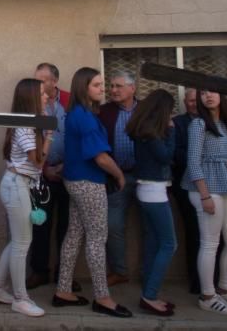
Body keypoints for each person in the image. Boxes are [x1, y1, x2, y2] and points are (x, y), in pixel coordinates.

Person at [52, 67, 131, 318]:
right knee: (97, 238)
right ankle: (103, 297)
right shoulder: (84, 116)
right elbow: (100, 157)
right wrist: (119, 175)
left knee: (74, 235)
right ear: (84, 87)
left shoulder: (76, 113)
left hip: (75, 181)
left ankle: (63, 291)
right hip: (88, 183)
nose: (103, 89)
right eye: (97, 85)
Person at [183, 88, 227, 316]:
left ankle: (225, 287)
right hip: (206, 188)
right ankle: (208, 295)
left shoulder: (226, 124)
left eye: (213, 92)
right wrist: (204, 195)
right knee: (210, 243)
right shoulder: (199, 124)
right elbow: (192, 161)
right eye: (203, 94)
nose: (208, 96)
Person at [0, 78, 50, 318]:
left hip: (16, 184)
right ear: (32, 98)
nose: (47, 97)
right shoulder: (26, 127)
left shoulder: (25, 124)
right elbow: (38, 162)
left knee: (17, 241)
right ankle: (20, 299)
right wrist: (50, 136)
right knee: (22, 244)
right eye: (44, 94)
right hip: (17, 185)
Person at [126, 89, 177, 317]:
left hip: (145, 189)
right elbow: (166, 156)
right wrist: (172, 132)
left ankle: (150, 289)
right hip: (154, 191)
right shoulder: (151, 132)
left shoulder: (142, 128)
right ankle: (150, 295)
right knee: (168, 244)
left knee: (153, 241)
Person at [28, 62, 77, 292]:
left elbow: (80, 135)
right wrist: (45, 168)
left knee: (67, 227)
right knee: (40, 225)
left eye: (43, 79)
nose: (38, 83)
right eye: (36, 79)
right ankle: (39, 271)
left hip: (70, 172)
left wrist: (67, 165)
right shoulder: (32, 103)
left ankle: (64, 273)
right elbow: (31, 138)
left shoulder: (71, 100)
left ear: (54, 81)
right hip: (43, 174)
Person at [97, 71, 138, 286]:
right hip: (115, 177)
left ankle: (151, 273)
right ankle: (119, 271)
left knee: (150, 227)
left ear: (133, 88)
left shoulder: (146, 111)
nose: (113, 90)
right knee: (113, 226)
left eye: (118, 86)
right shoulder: (104, 112)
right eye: (111, 86)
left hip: (145, 177)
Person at [171, 88, 204, 294]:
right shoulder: (178, 123)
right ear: (185, 101)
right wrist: (201, 160)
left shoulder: (215, 122)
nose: (194, 104)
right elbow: (176, 152)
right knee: (194, 232)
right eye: (190, 100)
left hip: (214, 185)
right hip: (185, 184)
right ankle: (197, 281)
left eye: (197, 100)